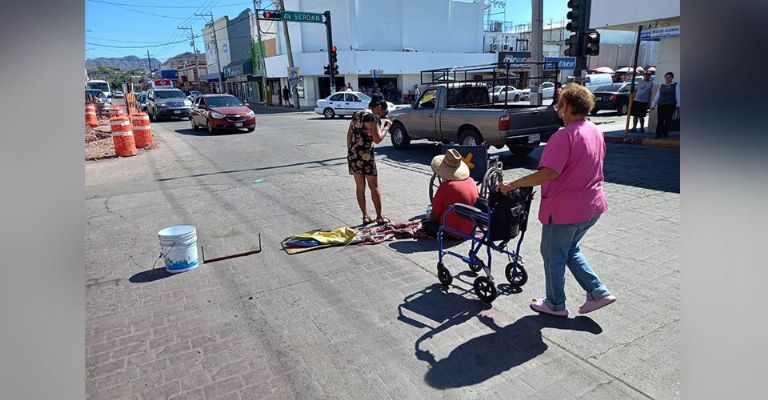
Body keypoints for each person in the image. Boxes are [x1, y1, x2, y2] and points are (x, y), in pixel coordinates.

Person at [498, 83, 616, 317]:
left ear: (568, 107)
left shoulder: (564, 137)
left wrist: (513, 184)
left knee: (553, 255)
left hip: (565, 211)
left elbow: (549, 173)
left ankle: (555, 304)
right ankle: (598, 292)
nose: (556, 108)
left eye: (559, 103)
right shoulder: (594, 130)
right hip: (592, 206)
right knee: (569, 250)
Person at [347, 98, 392, 225]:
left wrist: (352, 150)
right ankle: (379, 217)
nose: (381, 115)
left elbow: (349, 135)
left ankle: (365, 216)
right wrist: (386, 127)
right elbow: (377, 139)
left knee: (360, 187)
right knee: (374, 186)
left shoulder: (356, 115)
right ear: (378, 107)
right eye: (382, 112)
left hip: (354, 155)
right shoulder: (373, 117)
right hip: (366, 156)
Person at [423, 149, 479, 239]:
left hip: (451, 232)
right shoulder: (471, 181)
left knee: (426, 223)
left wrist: (430, 220)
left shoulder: (446, 186)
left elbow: (435, 213)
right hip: (469, 229)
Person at [650, 72, 680, 139]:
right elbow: (658, 95)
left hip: (670, 105)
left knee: (668, 120)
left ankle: (665, 133)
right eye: (666, 77)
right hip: (661, 105)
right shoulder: (662, 85)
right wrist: (653, 105)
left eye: (669, 77)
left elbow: (678, 94)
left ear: (672, 78)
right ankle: (658, 134)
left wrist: (678, 104)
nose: (667, 78)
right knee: (660, 120)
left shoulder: (675, 85)